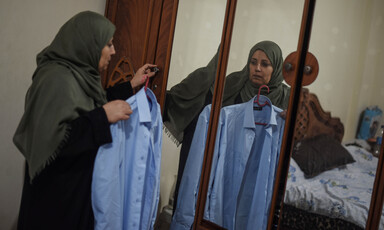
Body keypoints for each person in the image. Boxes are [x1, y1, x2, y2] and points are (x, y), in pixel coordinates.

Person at [13, 11, 157, 230]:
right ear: (89, 43)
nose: (114, 51)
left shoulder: (79, 76)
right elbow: (55, 141)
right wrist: (103, 116)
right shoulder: (55, 79)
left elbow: (90, 106)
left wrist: (131, 85)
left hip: (73, 192)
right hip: (54, 199)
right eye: (108, 44)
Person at [163, 40, 290, 213]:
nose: (257, 68)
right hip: (226, 161)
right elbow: (207, 112)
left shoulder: (288, 98)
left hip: (258, 168)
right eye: (253, 62)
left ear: (275, 67)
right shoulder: (234, 83)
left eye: (265, 64)